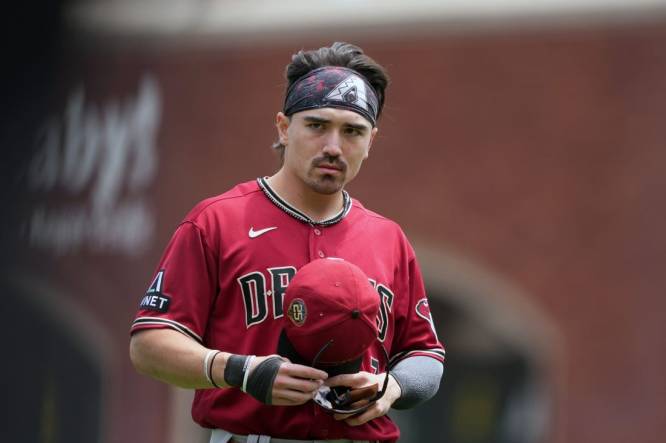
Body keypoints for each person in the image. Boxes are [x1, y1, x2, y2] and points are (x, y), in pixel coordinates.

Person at [129, 42, 445, 443]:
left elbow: (426, 356)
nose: (333, 146)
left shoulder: (389, 239)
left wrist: (391, 387)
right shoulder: (217, 221)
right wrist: (240, 370)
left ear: (371, 141)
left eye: (352, 131)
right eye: (316, 125)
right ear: (283, 127)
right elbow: (150, 343)